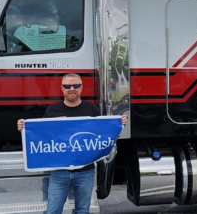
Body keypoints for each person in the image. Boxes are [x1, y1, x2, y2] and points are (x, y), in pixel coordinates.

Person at [17, 73, 127, 214]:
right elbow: (42, 136)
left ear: (81, 88)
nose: (72, 88)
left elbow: (102, 134)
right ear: (62, 89)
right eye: (67, 86)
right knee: (53, 210)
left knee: (82, 210)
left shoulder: (91, 110)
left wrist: (119, 124)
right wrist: (24, 128)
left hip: (85, 172)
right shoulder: (52, 111)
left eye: (76, 85)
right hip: (59, 171)